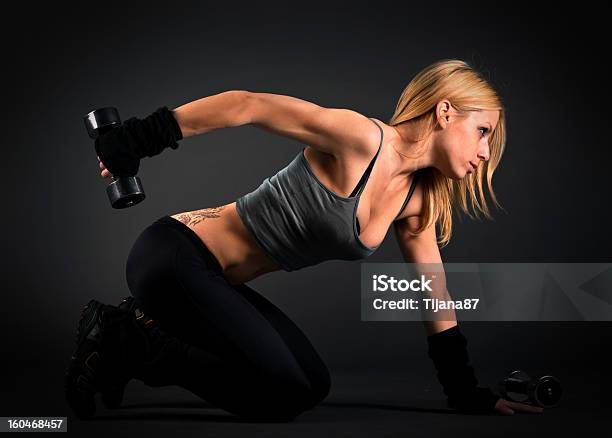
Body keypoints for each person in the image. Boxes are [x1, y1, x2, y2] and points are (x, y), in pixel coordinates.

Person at [65, 59, 544, 421]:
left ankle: (132, 337)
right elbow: (247, 105)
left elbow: (432, 293)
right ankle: (125, 340)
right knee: (282, 391)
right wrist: (139, 138)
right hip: (173, 256)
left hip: (214, 284)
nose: (485, 151)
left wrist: (464, 393)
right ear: (444, 112)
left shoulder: (416, 202)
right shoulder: (362, 140)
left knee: (311, 385)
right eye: (482, 132)